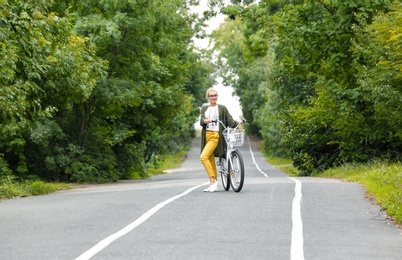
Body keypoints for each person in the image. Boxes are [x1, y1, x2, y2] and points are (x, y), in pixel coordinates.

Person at [200, 87, 239, 192]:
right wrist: (206, 121)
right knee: (210, 159)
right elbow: (201, 121)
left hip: (215, 136)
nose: (213, 97)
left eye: (215, 95)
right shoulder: (204, 108)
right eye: (211, 95)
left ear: (217, 96)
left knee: (203, 157)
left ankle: (213, 181)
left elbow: (229, 120)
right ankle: (212, 184)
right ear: (208, 97)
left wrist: (238, 122)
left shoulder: (222, 108)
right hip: (206, 135)